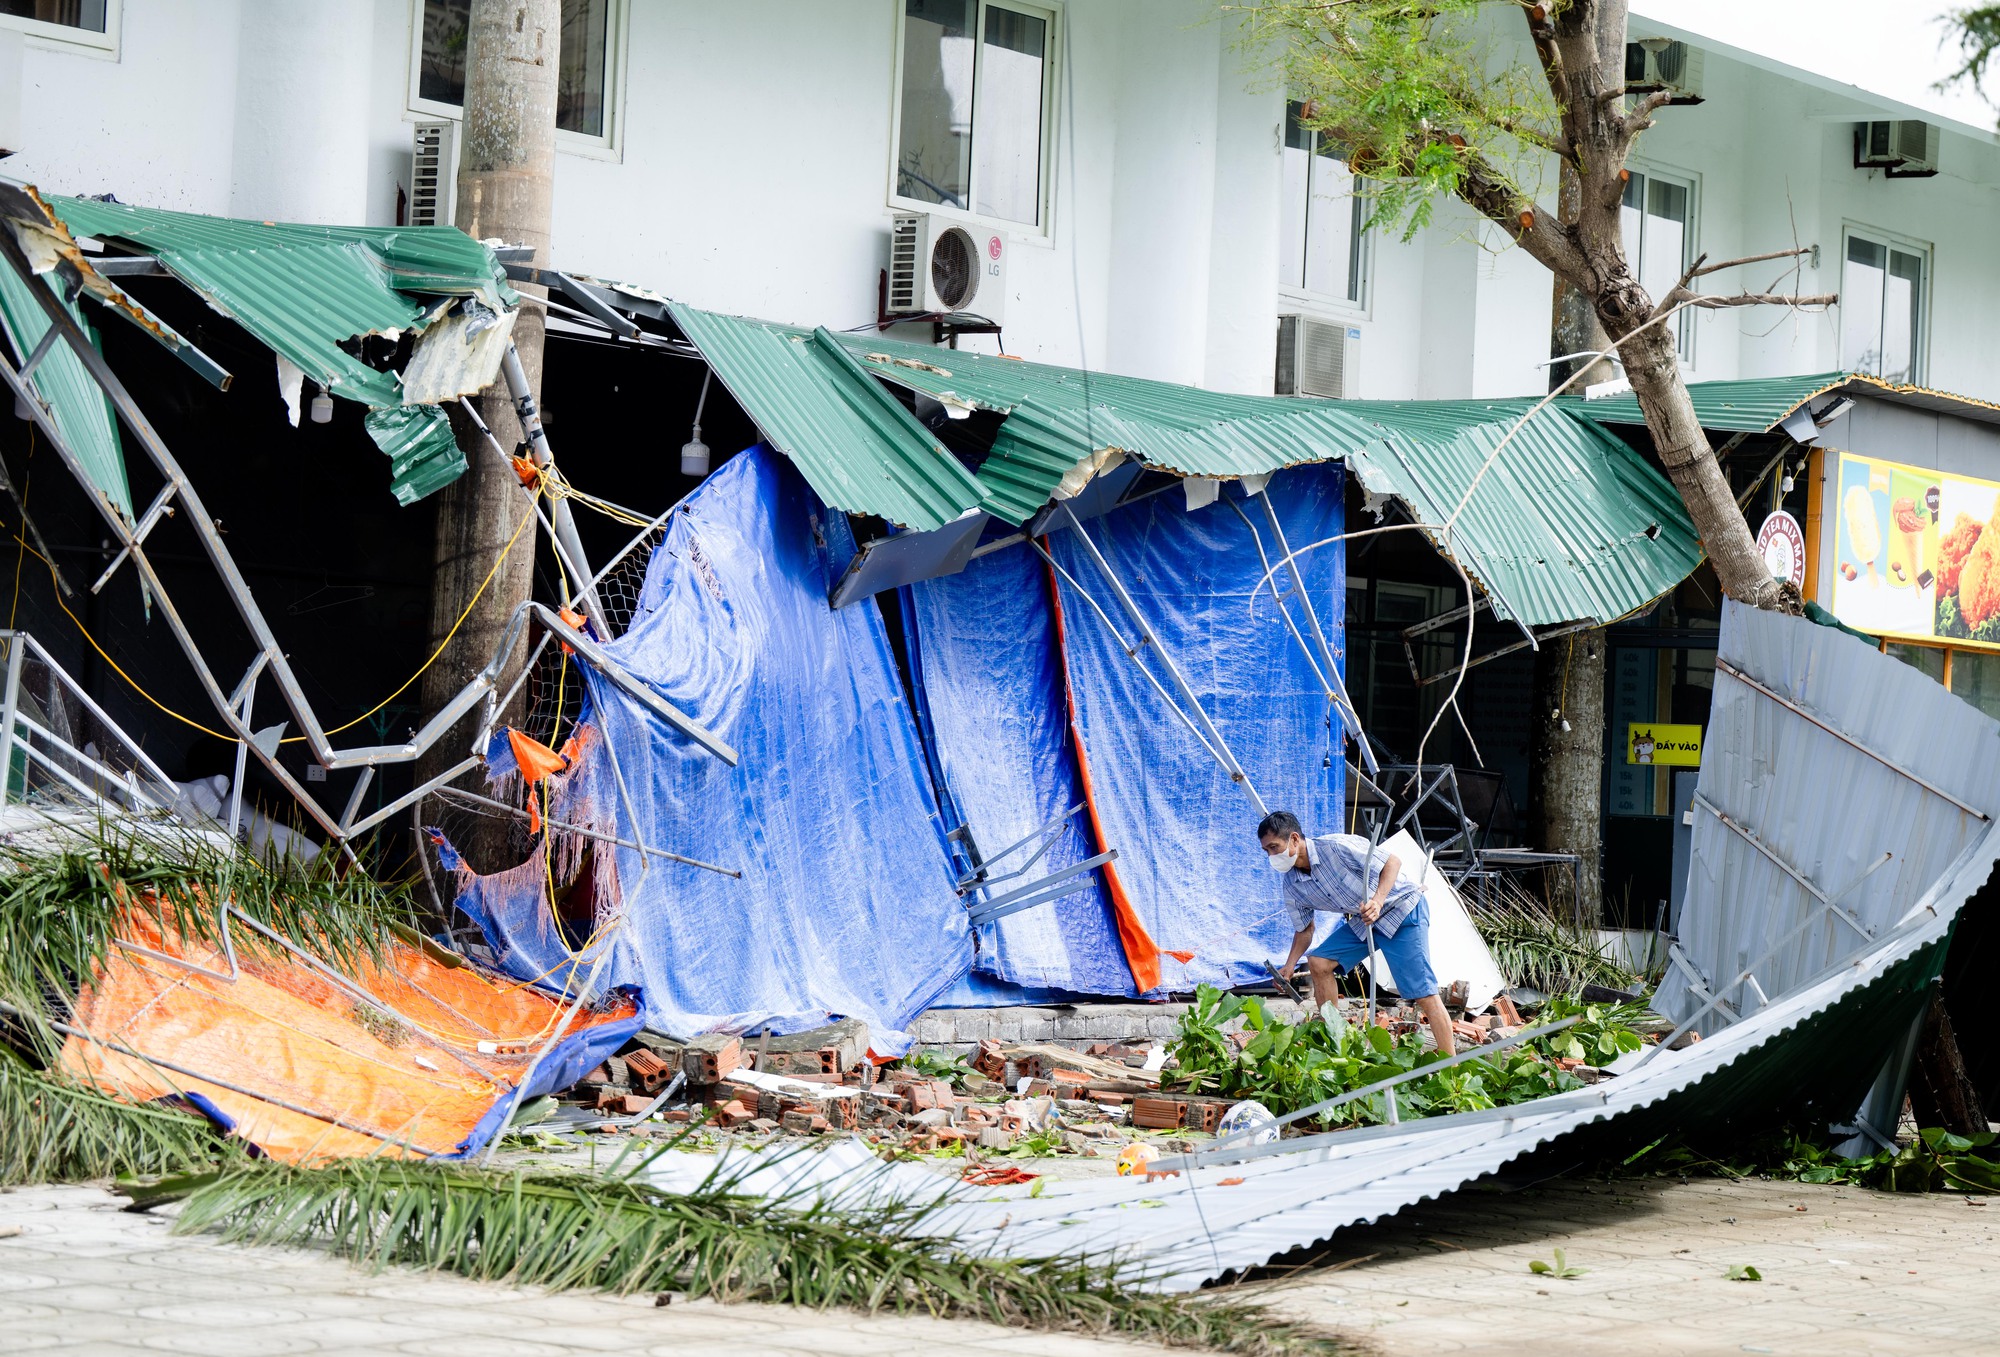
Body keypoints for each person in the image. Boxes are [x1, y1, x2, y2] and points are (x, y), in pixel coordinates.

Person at [1258, 809, 1455, 1057]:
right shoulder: (1292, 884)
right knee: (1319, 962)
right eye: (1266, 851)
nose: (1272, 856)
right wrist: (1289, 966)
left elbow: (1392, 862)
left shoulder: (1336, 847)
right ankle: (1335, 1043)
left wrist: (1378, 900)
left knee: (1423, 993)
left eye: (1274, 847)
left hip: (1401, 908)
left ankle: (1451, 1065)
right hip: (1367, 920)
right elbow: (1305, 929)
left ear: (1294, 839)